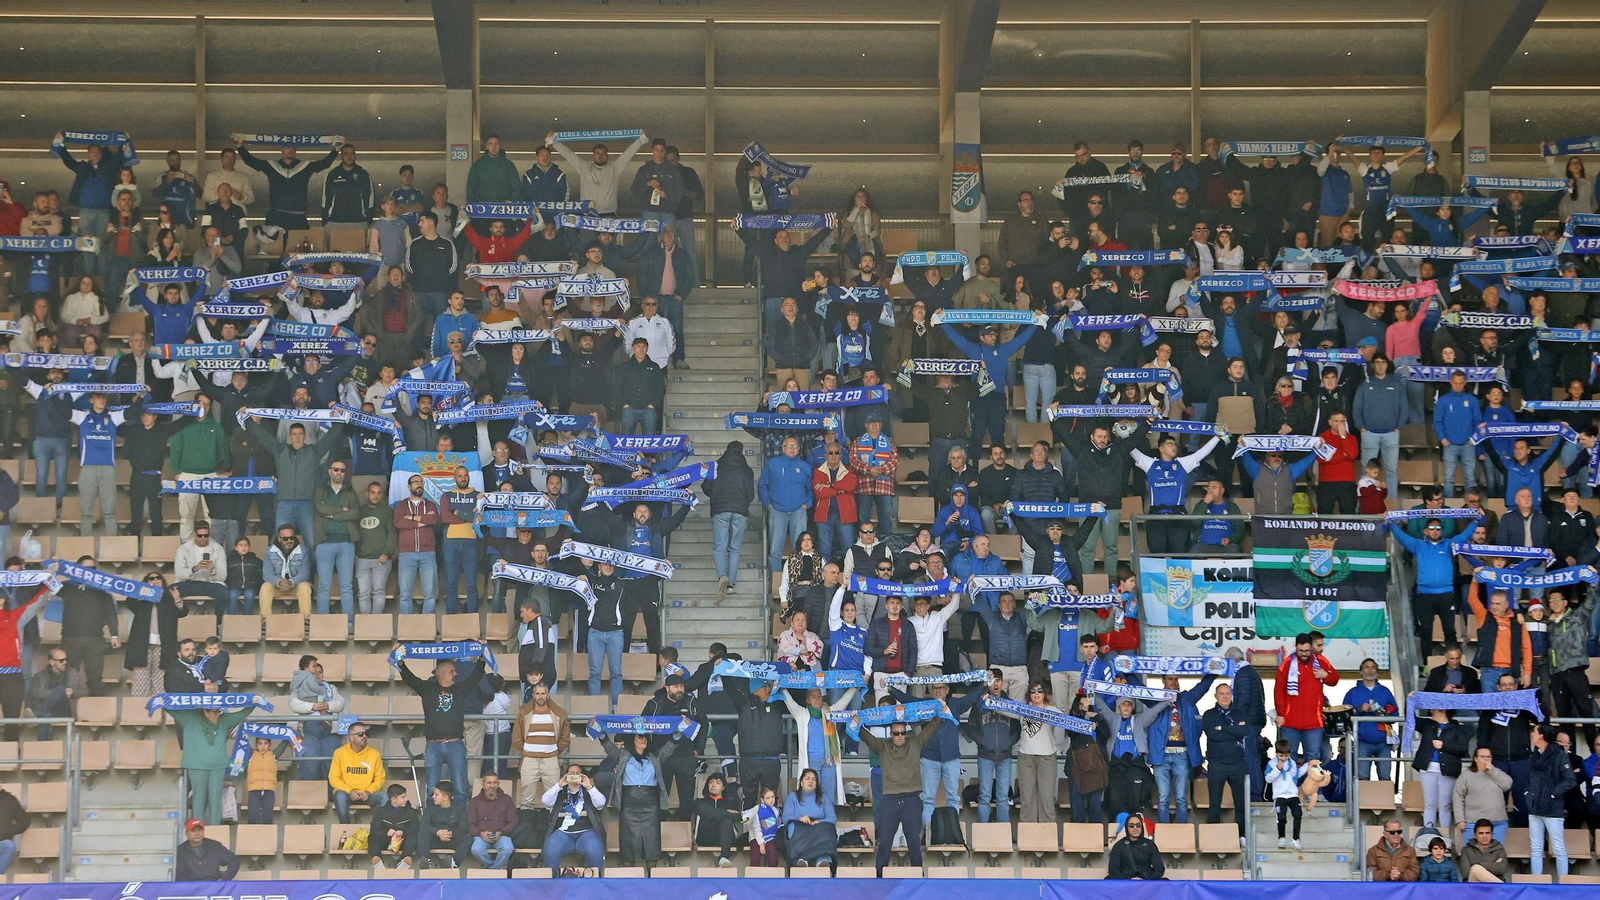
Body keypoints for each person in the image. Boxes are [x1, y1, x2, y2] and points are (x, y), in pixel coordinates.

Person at [854, 699, 947, 877]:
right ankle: (879, 879)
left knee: (914, 843)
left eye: (903, 733)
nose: (900, 736)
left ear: (906, 733)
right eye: (896, 733)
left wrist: (941, 710)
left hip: (912, 799)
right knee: (885, 843)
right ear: (891, 734)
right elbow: (865, 736)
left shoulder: (915, 743)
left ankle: (917, 878)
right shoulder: (882, 747)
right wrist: (855, 720)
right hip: (889, 799)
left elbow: (930, 729)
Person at [396, 652, 486, 804]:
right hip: (433, 745)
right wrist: (400, 663)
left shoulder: (460, 689)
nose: (456, 674)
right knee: (432, 789)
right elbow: (410, 679)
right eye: (452, 671)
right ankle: (431, 818)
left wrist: (482, 658)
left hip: (455, 744)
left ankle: (460, 818)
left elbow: (475, 677)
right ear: (441, 674)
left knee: (460, 789)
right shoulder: (428, 689)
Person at [170, 699, 256, 824]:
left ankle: (215, 830)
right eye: (215, 712)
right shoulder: (189, 720)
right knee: (198, 799)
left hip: (217, 766)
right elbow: (171, 709)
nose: (218, 715)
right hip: (196, 766)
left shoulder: (224, 720)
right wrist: (160, 701)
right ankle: (197, 829)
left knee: (216, 799)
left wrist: (254, 702)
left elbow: (241, 714)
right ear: (205, 711)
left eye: (219, 711)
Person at [604, 732, 677, 869]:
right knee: (628, 841)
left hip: (650, 802)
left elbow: (669, 748)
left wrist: (678, 733)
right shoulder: (623, 755)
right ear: (632, 740)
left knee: (652, 840)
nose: (644, 740)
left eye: (645, 737)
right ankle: (629, 876)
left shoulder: (655, 756)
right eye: (640, 737)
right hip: (629, 802)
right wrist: (601, 733)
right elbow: (608, 747)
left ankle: (651, 876)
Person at [1274, 634, 1339, 762]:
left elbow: (1335, 679)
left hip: (1313, 722)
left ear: (1311, 648)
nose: (1304, 654)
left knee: (1313, 759)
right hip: (1290, 721)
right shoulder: (1287, 664)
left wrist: (1326, 675)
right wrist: (1280, 714)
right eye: (1300, 650)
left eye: (1307, 651)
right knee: (1288, 759)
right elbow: (1279, 691)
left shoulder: (1321, 661)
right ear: (1295, 647)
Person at [705, 440, 754, 602]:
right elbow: (751, 495)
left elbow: (706, 487)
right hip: (740, 511)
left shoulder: (716, 466)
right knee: (734, 548)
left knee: (720, 546)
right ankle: (731, 584)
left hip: (720, 509)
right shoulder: (747, 469)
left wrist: (716, 495)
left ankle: (722, 576)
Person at [1202, 682, 1251, 841]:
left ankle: (1242, 836)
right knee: (1214, 803)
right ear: (1216, 696)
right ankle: (1212, 838)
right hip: (1217, 764)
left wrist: (1223, 728)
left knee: (1240, 802)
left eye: (1228, 693)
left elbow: (1245, 731)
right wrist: (1234, 730)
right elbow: (1212, 735)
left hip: (1238, 763)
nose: (1225, 696)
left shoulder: (1240, 713)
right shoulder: (1209, 715)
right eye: (1221, 693)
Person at [1527, 723, 1576, 876]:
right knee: (1536, 848)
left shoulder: (1559, 755)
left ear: (1541, 736)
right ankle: (1536, 881)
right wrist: (1528, 794)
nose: (1532, 734)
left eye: (1534, 732)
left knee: (1558, 848)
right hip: (1535, 808)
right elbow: (1529, 778)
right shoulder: (1534, 756)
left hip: (1553, 809)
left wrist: (1553, 794)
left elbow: (1570, 780)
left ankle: (1563, 882)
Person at [511, 681, 569, 810]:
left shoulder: (558, 713)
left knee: (553, 798)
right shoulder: (523, 713)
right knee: (527, 799)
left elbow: (565, 738)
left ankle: (553, 822)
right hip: (529, 759)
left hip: (551, 759)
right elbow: (516, 737)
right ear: (533, 695)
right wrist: (526, 751)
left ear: (548, 695)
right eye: (537, 694)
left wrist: (554, 751)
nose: (540, 696)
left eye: (543, 693)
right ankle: (527, 822)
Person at [541, 764, 607, 875]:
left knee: (595, 849)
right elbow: (545, 801)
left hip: (586, 832)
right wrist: (559, 785)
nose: (574, 775)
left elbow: (601, 803)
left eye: (578, 773)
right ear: (566, 776)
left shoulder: (589, 791)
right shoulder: (559, 791)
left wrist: (589, 786)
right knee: (550, 848)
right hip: (563, 833)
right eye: (571, 773)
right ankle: (552, 881)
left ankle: (595, 880)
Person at [1411, 707, 1469, 833]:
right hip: (1428, 769)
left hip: (1448, 769)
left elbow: (1463, 749)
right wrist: (1410, 700)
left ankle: (1445, 836)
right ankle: (1428, 834)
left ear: (1442, 710)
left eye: (1433, 709)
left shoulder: (1457, 727)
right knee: (1429, 805)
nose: (1431, 711)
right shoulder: (1427, 725)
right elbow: (1409, 717)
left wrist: (1443, 746)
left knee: (1445, 805)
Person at [1342, 658, 1398, 781]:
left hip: (1383, 742)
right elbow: (1344, 716)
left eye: (1373, 667)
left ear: (1377, 671)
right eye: (1366, 667)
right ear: (1361, 672)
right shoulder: (1352, 692)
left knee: (1385, 777)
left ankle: (1384, 796)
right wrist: (1358, 709)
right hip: (1362, 742)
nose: (1370, 670)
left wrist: (1384, 714)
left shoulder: (1385, 691)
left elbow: (1396, 714)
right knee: (1362, 777)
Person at [329, 723, 387, 825]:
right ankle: (345, 827)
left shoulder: (374, 754)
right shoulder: (339, 753)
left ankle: (375, 828)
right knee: (339, 796)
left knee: (384, 798)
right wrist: (350, 791)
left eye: (366, 734)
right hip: (347, 793)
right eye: (360, 734)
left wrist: (368, 791)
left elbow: (380, 778)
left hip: (367, 794)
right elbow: (334, 778)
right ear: (351, 737)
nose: (364, 736)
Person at [782, 767, 838, 868]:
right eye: (807, 778)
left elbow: (832, 818)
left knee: (828, 829)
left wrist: (820, 821)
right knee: (793, 827)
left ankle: (822, 860)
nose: (810, 781)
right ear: (801, 783)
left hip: (818, 826)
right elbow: (786, 818)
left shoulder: (823, 798)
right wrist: (799, 818)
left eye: (814, 779)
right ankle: (801, 860)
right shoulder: (793, 797)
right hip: (800, 825)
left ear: (816, 784)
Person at [25, 648, 84, 740]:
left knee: (60, 690)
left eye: (66, 659)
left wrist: (73, 691)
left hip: (64, 710)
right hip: (49, 711)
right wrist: (56, 693)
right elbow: (35, 693)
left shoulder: (73, 673)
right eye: (61, 660)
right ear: (52, 662)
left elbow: (86, 691)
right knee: (47, 713)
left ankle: (40, 711)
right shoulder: (40, 675)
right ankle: (42, 712)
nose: (65, 662)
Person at [467, 772, 517, 869]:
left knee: (508, 848)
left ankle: (492, 870)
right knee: (476, 850)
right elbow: (470, 824)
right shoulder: (475, 801)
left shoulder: (507, 799)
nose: (492, 785)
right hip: (481, 836)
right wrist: (481, 833)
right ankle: (495, 869)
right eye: (489, 783)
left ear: (498, 784)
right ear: (483, 784)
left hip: (501, 835)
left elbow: (513, 821)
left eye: (495, 782)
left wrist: (501, 832)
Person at [693, 774, 742, 868]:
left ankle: (724, 858)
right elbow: (703, 810)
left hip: (726, 838)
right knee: (722, 817)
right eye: (711, 782)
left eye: (718, 783)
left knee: (726, 822)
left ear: (723, 787)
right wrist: (727, 813)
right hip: (705, 838)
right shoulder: (699, 802)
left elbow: (738, 817)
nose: (713, 785)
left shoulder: (731, 803)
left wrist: (715, 813)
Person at [1265, 738, 1307, 849]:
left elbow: (1296, 775)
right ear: (1276, 753)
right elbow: (1268, 779)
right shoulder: (1271, 763)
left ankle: (1296, 839)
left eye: (1286, 755)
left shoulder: (1292, 763)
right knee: (1281, 818)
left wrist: (1307, 766)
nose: (1284, 758)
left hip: (1292, 794)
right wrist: (1278, 769)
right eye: (1281, 755)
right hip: (1280, 796)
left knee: (1298, 814)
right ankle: (1281, 837)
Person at [369, 784, 420, 869]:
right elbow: (374, 829)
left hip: (403, 841)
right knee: (372, 837)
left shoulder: (411, 811)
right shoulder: (380, 811)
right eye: (403, 797)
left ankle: (402, 862)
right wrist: (386, 832)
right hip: (386, 841)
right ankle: (378, 862)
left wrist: (403, 832)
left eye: (405, 796)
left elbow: (415, 829)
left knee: (414, 837)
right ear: (393, 799)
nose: (406, 799)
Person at [420, 781, 469, 868]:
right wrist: (438, 832)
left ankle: (453, 863)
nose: (433, 797)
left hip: (451, 839)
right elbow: (423, 826)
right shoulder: (430, 808)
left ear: (445, 797)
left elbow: (463, 828)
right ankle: (425, 861)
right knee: (422, 834)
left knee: (468, 839)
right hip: (435, 838)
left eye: (436, 794)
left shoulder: (459, 809)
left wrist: (451, 833)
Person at [174, 819, 239, 881]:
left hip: (213, 886)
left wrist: (223, 879)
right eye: (193, 830)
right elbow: (180, 875)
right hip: (191, 887)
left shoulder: (215, 846)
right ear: (186, 833)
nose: (197, 833)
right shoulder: (180, 850)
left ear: (204, 831)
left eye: (200, 830)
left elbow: (234, 860)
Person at [1105, 814, 1164, 880]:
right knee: (1108, 880)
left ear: (1142, 827)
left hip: (1147, 881)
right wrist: (1128, 880)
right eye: (1131, 826)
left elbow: (1159, 868)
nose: (1135, 828)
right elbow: (1113, 869)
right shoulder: (1119, 846)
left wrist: (1148, 881)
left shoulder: (1150, 845)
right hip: (1125, 882)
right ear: (1127, 828)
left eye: (1138, 825)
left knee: (1165, 881)